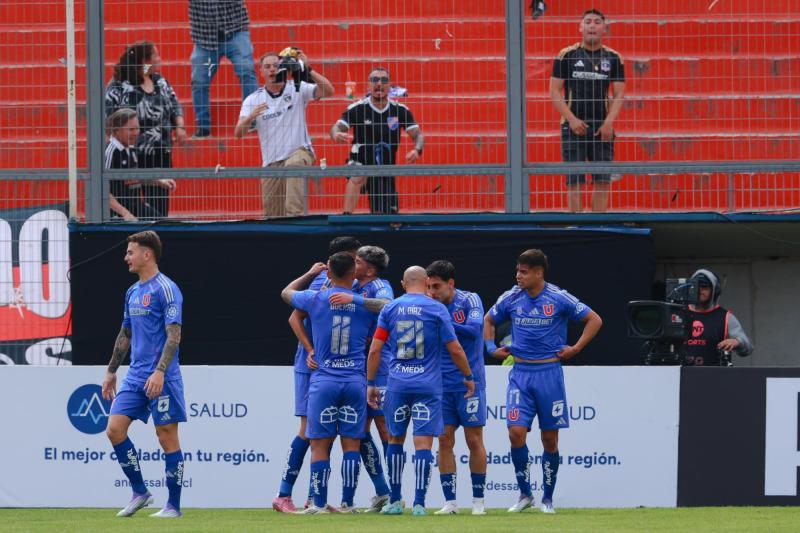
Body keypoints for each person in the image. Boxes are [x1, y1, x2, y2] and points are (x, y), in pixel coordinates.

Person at [484, 249, 602, 514]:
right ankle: (525, 494)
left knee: (549, 439)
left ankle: (548, 498)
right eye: (517, 270)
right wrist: (490, 348)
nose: (518, 276)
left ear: (539, 273)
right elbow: (489, 319)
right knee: (515, 432)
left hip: (549, 374)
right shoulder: (511, 297)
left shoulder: (558, 297)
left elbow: (594, 320)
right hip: (520, 374)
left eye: (524, 272)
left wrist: (576, 348)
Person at [366, 266, 475, 516]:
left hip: (397, 384)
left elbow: (375, 349)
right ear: (427, 282)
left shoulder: (390, 308)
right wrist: (468, 376)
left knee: (395, 439)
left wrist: (371, 383)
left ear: (403, 284)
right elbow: (455, 348)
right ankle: (419, 503)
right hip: (428, 385)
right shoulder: (436, 309)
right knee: (423, 443)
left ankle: (395, 500)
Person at [281, 252, 379, 513]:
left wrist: (310, 273)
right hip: (354, 381)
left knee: (319, 444)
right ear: (353, 274)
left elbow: (286, 293)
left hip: (324, 380)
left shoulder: (315, 298)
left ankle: (318, 503)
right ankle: (348, 502)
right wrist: (358, 300)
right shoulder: (364, 304)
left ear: (329, 273)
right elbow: (389, 308)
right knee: (352, 444)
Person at [100, 231, 186, 518]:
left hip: (163, 378)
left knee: (166, 437)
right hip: (135, 376)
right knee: (114, 429)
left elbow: (174, 336)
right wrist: (111, 370)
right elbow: (125, 333)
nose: (126, 257)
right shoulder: (132, 292)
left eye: (130, 252)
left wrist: (160, 372)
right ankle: (140, 492)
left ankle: (173, 506)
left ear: (146, 254)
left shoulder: (167, 289)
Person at [328, 245, 394, 512]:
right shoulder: (353, 285)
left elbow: (388, 306)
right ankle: (381, 491)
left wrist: (353, 300)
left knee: (385, 430)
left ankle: (396, 494)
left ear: (370, 268)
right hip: (356, 365)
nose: (353, 264)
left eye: (358, 261)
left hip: (380, 365)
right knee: (359, 432)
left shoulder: (379, 285)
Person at [235, 50, 334, 218]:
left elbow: (329, 91)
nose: (272, 69)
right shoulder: (252, 100)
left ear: (283, 68)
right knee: (272, 217)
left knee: (294, 166)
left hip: (300, 151)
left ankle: (296, 218)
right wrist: (251, 117)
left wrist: (308, 69)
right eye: (267, 66)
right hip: (271, 161)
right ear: (261, 71)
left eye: (276, 65)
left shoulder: (296, 87)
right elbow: (238, 133)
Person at [425, 260, 488, 516]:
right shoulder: (428, 305)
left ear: (450, 284)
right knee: (444, 440)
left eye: (436, 286)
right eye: (428, 287)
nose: (431, 292)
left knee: (473, 439)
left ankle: (478, 502)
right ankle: (450, 502)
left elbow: (474, 330)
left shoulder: (470, 300)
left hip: (469, 382)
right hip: (440, 384)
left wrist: (442, 321)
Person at [550, 9, 625, 213]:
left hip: (602, 127)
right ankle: (576, 223)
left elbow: (619, 94)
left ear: (604, 28)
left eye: (597, 22)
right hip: (573, 126)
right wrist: (572, 120)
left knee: (602, 180)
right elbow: (554, 91)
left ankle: (598, 223)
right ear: (580, 27)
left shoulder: (614, 58)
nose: (592, 25)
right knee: (574, 180)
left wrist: (608, 123)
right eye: (588, 22)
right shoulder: (566, 55)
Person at [105, 41, 184, 218]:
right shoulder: (119, 85)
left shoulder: (159, 81)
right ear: (144, 60)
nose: (159, 59)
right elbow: (108, 117)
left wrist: (180, 126)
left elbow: (174, 104)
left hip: (160, 152)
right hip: (132, 154)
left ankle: (157, 232)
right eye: (155, 55)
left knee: (159, 206)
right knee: (132, 202)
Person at [331, 67, 424, 215]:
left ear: (390, 85)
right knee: (357, 174)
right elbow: (337, 127)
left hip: (385, 167)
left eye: (384, 80)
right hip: (360, 162)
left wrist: (417, 150)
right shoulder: (357, 108)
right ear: (368, 84)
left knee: (388, 217)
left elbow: (417, 134)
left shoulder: (400, 110)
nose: (379, 83)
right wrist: (336, 134)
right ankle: (346, 218)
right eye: (374, 80)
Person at [188, 0, 259, 139]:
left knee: (246, 70)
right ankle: (203, 127)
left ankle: (252, 119)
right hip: (205, 38)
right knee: (199, 81)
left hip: (235, 30)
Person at [105, 109, 177, 222]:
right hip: (118, 214)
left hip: (136, 207)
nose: (136, 133)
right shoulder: (111, 152)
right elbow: (102, 191)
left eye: (137, 128)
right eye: (131, 129)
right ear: (117, 131)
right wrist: (125, 213)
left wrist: (159, 181)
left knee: (165, 225)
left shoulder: (131, 148)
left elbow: (134, 177)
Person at [684, 269, 753, 366]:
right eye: (696, 286)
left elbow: (748, 348)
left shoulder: (726, 317)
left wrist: (737, 342)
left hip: (714, 374)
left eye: (704, 287)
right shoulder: (678, 313)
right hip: (677, 374)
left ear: (714, 291)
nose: (700, 290)